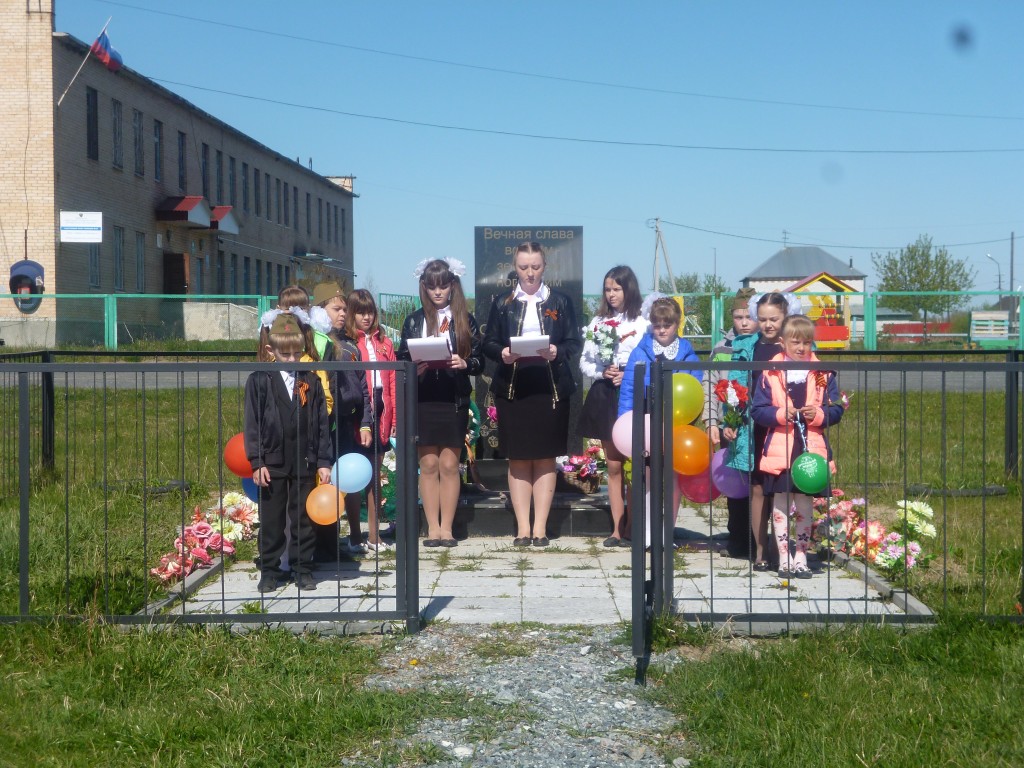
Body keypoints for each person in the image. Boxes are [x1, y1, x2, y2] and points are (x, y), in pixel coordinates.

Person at [482, 241, 582, 547]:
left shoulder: (560, 301)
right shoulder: (503, 303)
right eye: (524, 267)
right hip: (514, 388)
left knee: (545, 458)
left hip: (549, 387)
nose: (529, 273)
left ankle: (540, 528)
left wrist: (556, 351)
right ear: (515, 268)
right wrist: (503, 353)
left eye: (535, 267)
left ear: (544, 267)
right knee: (518, 459)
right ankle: (523, 528)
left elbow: (573, 342)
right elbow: (488, 343)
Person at [244, 311, 333, 592]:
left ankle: (302, 568)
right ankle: (270, 570)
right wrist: (257, 461)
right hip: (272, 461)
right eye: (286, 354)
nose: (292, 359)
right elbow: (252, 423)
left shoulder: (311, 381)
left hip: (304, 459)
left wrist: (323, 460)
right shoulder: (259, 380)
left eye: (297, 353)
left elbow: (321, 423)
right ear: (271, 351)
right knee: (271, 519)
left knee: (303, 518)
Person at [397, 258, 483, 548]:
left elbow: (480, 360)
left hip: (453, 399)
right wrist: (414, 367)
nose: (437, 292)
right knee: (429, 463)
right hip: (423, 399)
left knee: (449, 463)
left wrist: (465, 362)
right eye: (432, 286)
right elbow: (401, 357)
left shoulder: (465, 319)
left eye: (443, 286)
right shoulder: (413, 320)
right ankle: (432, 528)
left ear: (452, 286)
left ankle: (447, 528)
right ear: (423, 287)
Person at [750, 314, 844, 578]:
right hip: (781, 446)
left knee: (805, 501)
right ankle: (784, 558)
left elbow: (836, 409)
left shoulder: (823, 373)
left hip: (810, 446)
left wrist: (820, 415)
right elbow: (758, 410)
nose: (802, 348)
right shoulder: (770, 372)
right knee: (781, 501)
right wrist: (781, 414)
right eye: (796, 342)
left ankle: (801, 556)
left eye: (806, 342)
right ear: (783, 343)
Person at [723, 291, 801, 571]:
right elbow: (734, 387)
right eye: (764, 319)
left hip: (784, 427)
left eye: (774, 319)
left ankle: (783, 549)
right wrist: (730, 420)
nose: (768, 325)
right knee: (757, 488)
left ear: (786, 316)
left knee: (782, 489)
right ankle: (760, 551)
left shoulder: (793, 346)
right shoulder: (747, 346)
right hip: (754, 426)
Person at [617, 296, 703, 545]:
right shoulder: (640, 352)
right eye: (657, 325)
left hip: (677, 425)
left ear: (677, 324)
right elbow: (628, 389)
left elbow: (697, 391)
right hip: (646, 421)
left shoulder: (688, 355)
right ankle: (646, 532)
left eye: (668, 324)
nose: (662, 330)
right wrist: (625, 419)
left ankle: (666, 532)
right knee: (646, 478)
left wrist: (692, 422)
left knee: (672, 480)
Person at [578, 265, 648, 547]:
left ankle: (634, 525)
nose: (611, 294)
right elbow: (585, 362)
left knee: (634, 465)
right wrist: (602, 372)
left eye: (616, 289)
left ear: (629, 289)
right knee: (614, 465)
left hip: (633, 394)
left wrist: (628, 374)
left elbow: (648, 359)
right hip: (605, 393)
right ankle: (617, 529)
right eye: (607, 289)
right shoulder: (597, 322)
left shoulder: (642, 322)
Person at [312, 281, 374, 558]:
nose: (342, 314)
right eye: (335, 308)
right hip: (326, 424)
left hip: (349, 422)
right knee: (325, 480)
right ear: (319, 310)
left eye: (344, 309)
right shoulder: (316, 343)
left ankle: (353, 536)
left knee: (348, 480)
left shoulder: (350, 344)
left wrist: (365, 421)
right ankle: (324, 544)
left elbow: (363, 388)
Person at [703, 287, 757, 558]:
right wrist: (711, 421)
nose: (744, 322)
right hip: (731, 427)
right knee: (736, 487)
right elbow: (710, 385)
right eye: (738, 317)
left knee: (758, 486)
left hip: (758, 427)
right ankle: (737, 538)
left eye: (749, 317)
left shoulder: (763, 346)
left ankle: (758, 539)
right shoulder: (721, 349)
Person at [346, 288, 397, 552]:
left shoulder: (385, 343)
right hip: (358, 410)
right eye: (360, 313)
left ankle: (375, 536)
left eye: (370, 312)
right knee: (356, 475)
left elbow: (393, 382)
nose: (366, 318)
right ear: (351, 315)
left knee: (375, 476)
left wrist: (394, 416)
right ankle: (355, 535)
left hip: (381, 408)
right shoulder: (348, 344)